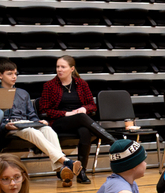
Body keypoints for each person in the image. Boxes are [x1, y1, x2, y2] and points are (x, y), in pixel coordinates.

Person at [0, 59, 82, 187]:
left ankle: (61, 169)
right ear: (0, 75)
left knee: (48, 130)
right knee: (31, 131)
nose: (14, 77)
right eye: (10, 74)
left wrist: (38, 121)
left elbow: (31, 115)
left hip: (25, 124)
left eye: (15, 74)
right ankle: (66, 161)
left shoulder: (23, 93)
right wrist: (5, 126)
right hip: (8, 128)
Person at [38, 55, 117, 184]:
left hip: (80, 120)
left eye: (63, 67)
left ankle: (81, 171)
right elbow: (44, 110)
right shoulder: (49, 86)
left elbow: (92, 105)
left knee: (85, 131)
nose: (59, 69)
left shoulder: (82, 84)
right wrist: (66, 113)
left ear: (72, 69)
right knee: (81, 118)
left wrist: (85, 109)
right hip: (59, 122)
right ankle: (113, 141)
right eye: (58, 67)